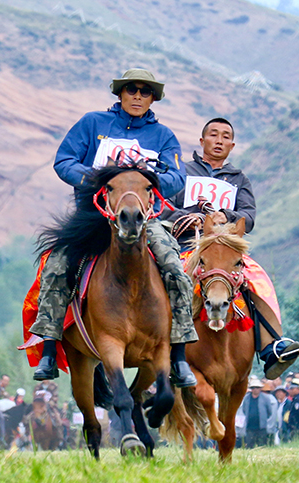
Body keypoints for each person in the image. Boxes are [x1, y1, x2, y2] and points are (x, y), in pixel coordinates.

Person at [30, 68, 197, 388]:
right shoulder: (93, 124)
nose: (137, 96)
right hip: (94, 218)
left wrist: (143, 184)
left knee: (176, 268)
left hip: (146, 219)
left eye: (145, 91)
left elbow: (177, 177)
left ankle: (178, 355)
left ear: (153, 98)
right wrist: (94, 181)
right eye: (131, 89)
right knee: (56, 264)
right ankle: (48, 348)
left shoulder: (164, 137)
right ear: (120, 94)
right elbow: (64, 160)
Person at [161, 117, 299, 379]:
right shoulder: (183, 172)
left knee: (258, 278)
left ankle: (271, 346)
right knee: (168, 278)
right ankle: (157, 347)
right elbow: (163, 205)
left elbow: (249, 216)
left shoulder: (239, 179)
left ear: (232, 145)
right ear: (202, 141)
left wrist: (226, 215)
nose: (219, 140)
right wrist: (188, 217)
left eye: (226, 136)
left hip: (227, 250)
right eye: (214, 135)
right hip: (188, 247)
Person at [241, 377, 273, 447]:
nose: (255, 389)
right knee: (249, 445)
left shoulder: (265, 398)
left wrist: (263, 418)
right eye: (253, 387)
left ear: (260, 388)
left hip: (261, 427)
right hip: (249, 427)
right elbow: (244, 410)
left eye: (257, 387)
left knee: (262, 445)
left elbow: (269, 412)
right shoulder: (246, 398)